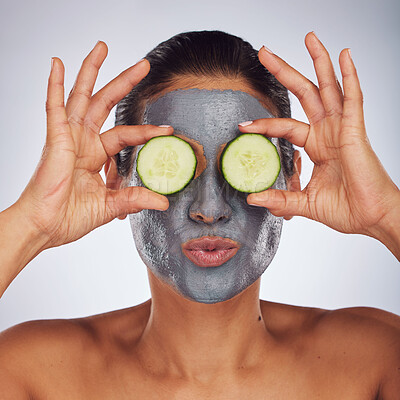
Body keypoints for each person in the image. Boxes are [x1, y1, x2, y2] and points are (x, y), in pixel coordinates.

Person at [0, 30, 399, 398]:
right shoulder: (30, 372)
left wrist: (385, 214)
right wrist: (32, 221)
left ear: (291, 177)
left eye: (246, 165)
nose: (209, 210)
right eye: (172, 168)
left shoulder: (377, 358)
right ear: (116, 179)